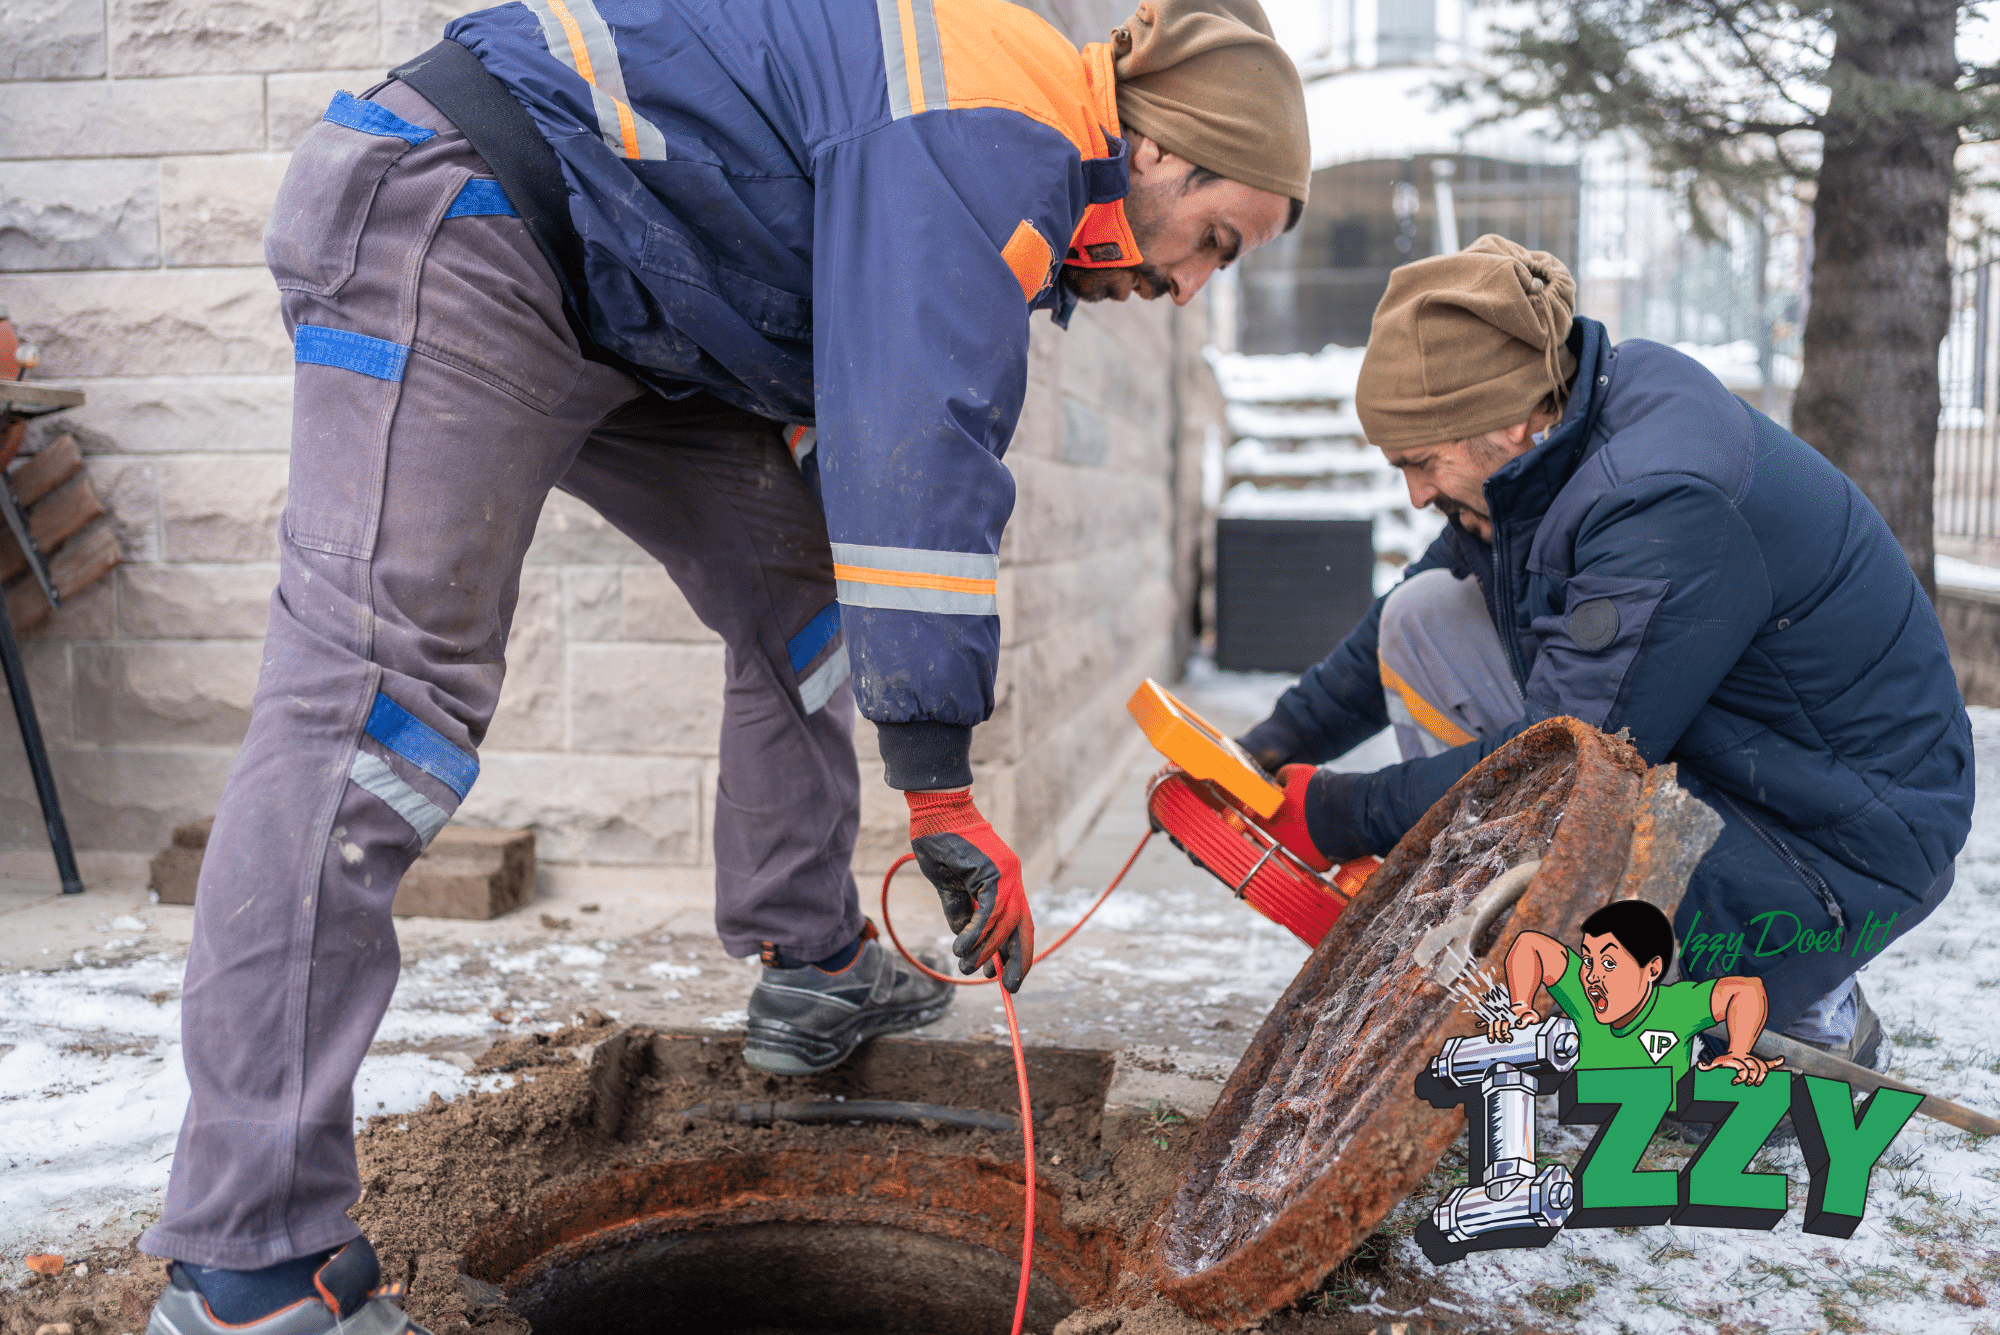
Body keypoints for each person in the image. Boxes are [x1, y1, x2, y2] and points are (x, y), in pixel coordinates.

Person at [139, 0, 1311, 1330]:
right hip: (466, 210)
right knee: (379, 709)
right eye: (1215, 239)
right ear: (1161, 152)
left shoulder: (1011, 140)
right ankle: (248, 1259)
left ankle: (806, 955)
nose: (1191, 284)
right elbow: (919, 452)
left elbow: (837, 343)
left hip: (629, 296)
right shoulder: (1001, 126)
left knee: (796, 593)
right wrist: (939, 793)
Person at [1240, 234, 1971, 1085]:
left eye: (1421, 461)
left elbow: (1556, 760)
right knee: (1423, 617)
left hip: (1838, 840)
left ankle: (1808, 1014)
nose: (1414, 491)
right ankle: (1502, 904)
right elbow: (1403, 629)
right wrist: (1272, 745)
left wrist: (1335, 814)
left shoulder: (1661, 500)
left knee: (1590, 980)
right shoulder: (1549, 443)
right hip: (1727, 758)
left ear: (1506, 420)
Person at [1487, 900, 1780, 1088]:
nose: (1592, 975)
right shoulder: (1582, 994)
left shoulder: (1676, 1006)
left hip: (1654, 1118)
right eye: (1588, 959)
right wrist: (1520, 1005)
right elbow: (1530, 945)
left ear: (1651, 970)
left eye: (1610, 963)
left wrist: (1737, 1052)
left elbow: (1746, 990)